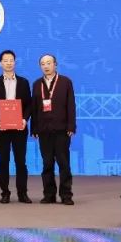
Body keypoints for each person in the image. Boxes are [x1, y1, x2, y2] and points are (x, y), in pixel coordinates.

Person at [30, 54, 77, 205]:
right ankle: (49, 194)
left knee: (64, 164)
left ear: (55, 64)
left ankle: (66, 195)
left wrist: (71, 126)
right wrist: (34, 128)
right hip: (44, 130)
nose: (46, 66)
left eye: (49, 63)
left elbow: (71, 105)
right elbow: (34, 108)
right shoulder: (36, 84)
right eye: (43, 64)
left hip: (62, 129)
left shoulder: (65, 82)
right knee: (47, 164)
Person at [0, 50, 33, 204]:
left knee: (21, 161)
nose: (8, 63)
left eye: (11, 60)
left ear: (15, 62)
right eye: (5, 60)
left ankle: (22, 193)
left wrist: (25, 119)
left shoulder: (24, 82)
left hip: (20, 128)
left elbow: (29, 105)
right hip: (2, 129)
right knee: (4, 161)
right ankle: (5, 193)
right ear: (0, 63)